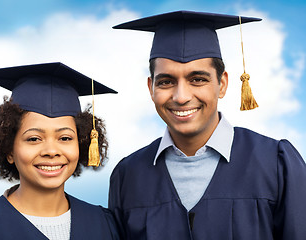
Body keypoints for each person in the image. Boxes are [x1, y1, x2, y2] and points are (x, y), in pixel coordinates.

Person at [108, 10, 306, 240]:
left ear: (222, 84)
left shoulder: (275, 163)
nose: (181, 96)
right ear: (151, 88)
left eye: (198, 80)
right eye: (166, 82)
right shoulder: (128, 176)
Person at [0, 62, 119, 240]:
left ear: (82, 143)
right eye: (34, 139)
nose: (51, 151)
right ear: (9, 150)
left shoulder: (103, 224)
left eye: (65, 138)